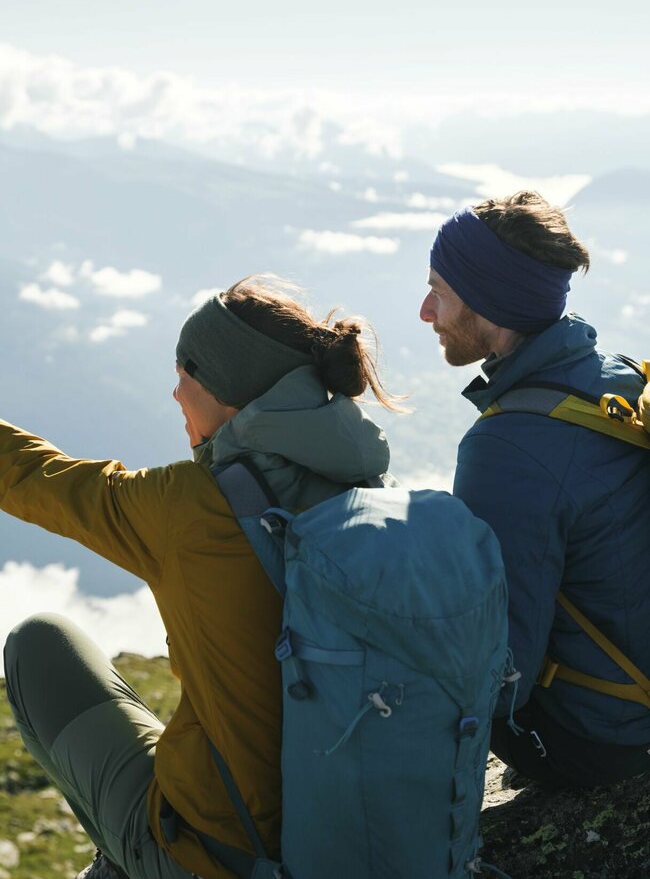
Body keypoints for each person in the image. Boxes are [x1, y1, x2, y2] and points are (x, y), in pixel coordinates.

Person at [2, 276, 398, 879]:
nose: (174, 392)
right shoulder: (387, 500)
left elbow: (40, 481)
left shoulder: (188, 508)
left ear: (224, 392)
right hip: (382, 836)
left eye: (185, 376)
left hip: (227, 859)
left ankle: (124, 860)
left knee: (40, 644)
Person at [419, 191, 650, 789]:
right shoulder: (620, 380)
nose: (425, 311)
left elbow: (499, 669)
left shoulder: (509, 448)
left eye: (439, 290)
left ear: (490, 303)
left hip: (606, 742)